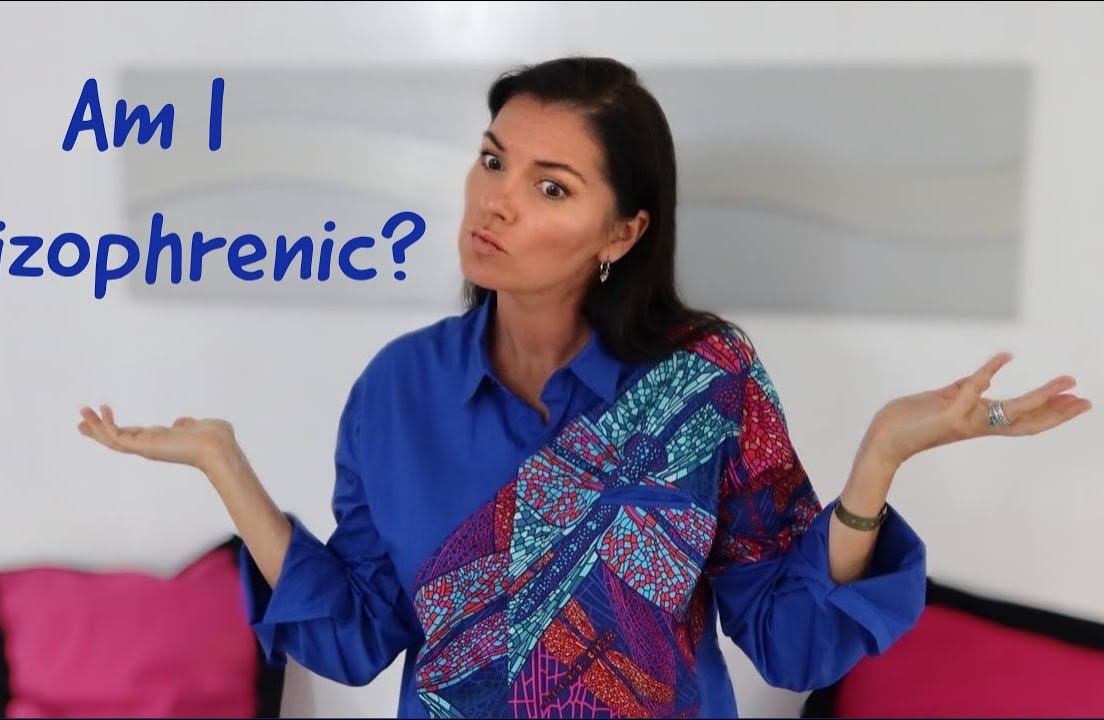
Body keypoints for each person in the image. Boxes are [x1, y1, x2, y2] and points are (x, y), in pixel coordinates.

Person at [77, 57, 1092, 719]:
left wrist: (879, 461)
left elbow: (790, 643)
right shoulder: (396, 391)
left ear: (622, 232)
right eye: (492, 161)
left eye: (549, 186)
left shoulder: (704, 381)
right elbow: (356, 639)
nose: (495, 202)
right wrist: (225, 467)